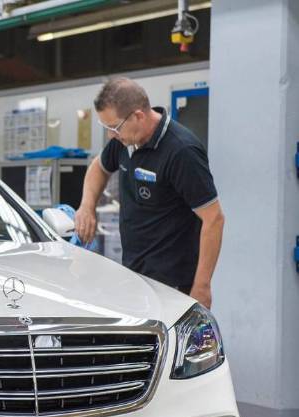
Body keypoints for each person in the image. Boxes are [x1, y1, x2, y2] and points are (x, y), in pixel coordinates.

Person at [75, 77, 224, 308]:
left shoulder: (181, 151)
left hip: (173, 284)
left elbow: (214, 219)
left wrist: (202, 286)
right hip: (135, 276)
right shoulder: (124, 141)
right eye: (107, 128)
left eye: (114, 127)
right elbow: (98, 167)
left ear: (138, 116)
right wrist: (87, 206)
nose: (110, 135)